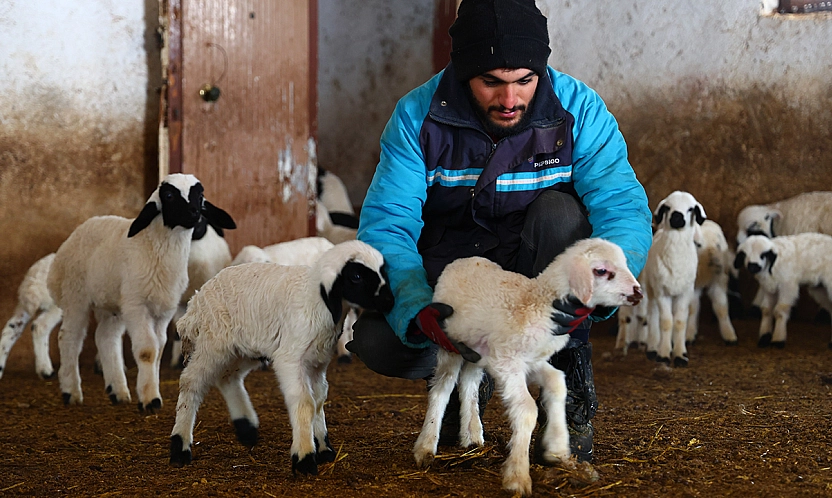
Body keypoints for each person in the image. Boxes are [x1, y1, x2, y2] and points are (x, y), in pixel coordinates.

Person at [346, 0, 652, 463]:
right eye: (491, 82)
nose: (509, 100)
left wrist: (597, 286)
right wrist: (415, 306)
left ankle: (569, 393)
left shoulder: (579, 111)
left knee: (562, 216)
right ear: (462, 69)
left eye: (524, 80)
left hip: (536, 276)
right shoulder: (417, 118)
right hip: (455, 269)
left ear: (541, 70)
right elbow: (388, 222)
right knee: (381, 343)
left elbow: (622, 207)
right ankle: (469, 379)